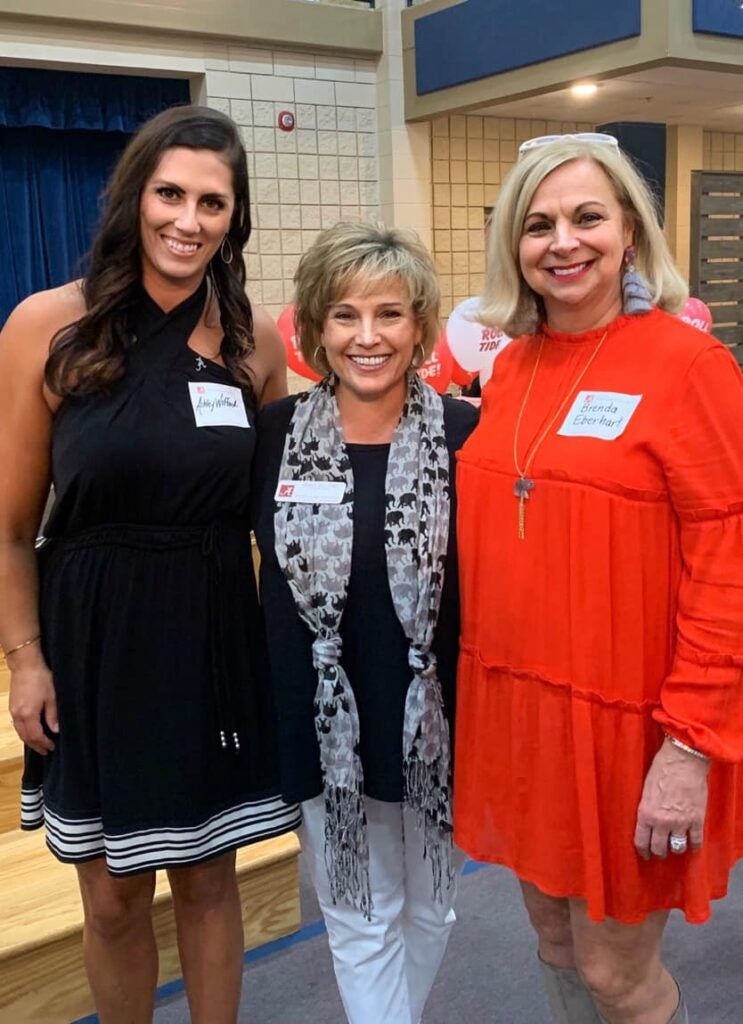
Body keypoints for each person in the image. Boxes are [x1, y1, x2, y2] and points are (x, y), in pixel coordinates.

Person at [0, 104, 300, 1024]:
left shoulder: (256, 345)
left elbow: (283, 518)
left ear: (234, 218)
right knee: (114, 897)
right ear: (135, 199)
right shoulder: (49, 325)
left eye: (213, 202)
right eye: (170, 193)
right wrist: (26, 659)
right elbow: (10, 529)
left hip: (211, 636)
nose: (188, 219)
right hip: (93, 637)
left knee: (209, 881)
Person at [454, 133, 743, 1024]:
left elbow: (727, 566)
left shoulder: (690, 367)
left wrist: (689, 747)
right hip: (522, 717)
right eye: (537, 224)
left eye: (586, 217)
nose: (561, 242)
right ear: (513, 244)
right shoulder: (508, 370)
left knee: (619, 977)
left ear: (628, 232)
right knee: (554, 945)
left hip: (635, 729)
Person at [252, 220, 478, 1024]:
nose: (367, 336)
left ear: (420, 325)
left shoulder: (465, 436)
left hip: (437, 719)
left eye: (388, 313)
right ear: (313, 329)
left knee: (429, 909)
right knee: (355, 915)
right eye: (344, 315)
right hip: (324, 719)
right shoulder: (274, 436)